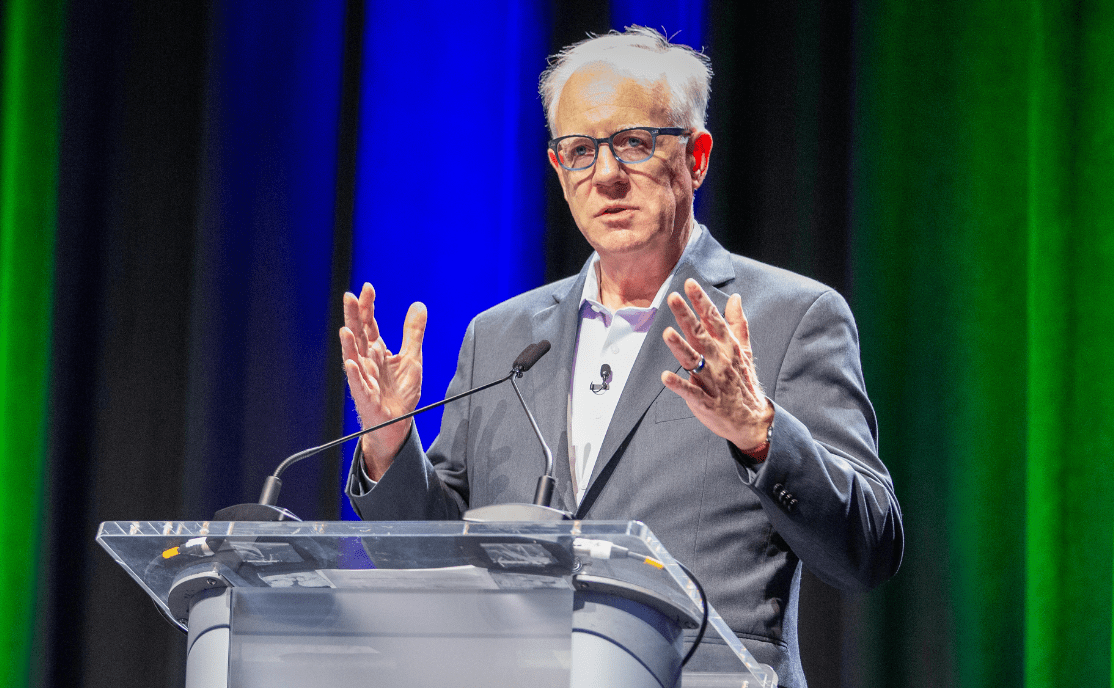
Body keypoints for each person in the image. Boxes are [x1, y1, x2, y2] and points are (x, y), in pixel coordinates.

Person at [339, 27, 902, 687]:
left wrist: (760, 433)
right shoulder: (502, 337)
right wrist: (387, 443)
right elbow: (431, 559)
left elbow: (869, 548)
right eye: (580, 150)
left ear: (696, 157)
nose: (605, 175)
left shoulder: (791, 318)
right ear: (559, 170)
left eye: (634, 143)